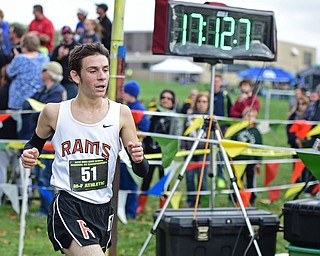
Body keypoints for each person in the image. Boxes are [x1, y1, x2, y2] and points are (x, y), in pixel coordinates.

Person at [21, 43, 148, 255]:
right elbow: (33, 144)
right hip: (68, 205)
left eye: (105, 70)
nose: (102, 77)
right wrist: (29, 154)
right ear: (75, 76)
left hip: (102, 208)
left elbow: (141, 171)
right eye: (93, 70)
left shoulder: (121, 113)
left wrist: (137, 158)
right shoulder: (54, 112)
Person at [21, 61, 66, 217]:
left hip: (50, 141)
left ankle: (47, 210)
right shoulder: (42, 90)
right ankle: (44, 208)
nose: (41, 73)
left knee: (45, 177)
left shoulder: (58, 91)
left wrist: (39, 112)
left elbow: (46, 113)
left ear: (49, 73)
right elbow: (28, 104)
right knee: (41, 176)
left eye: (44, 70)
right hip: (40, 139)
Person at [138, 89, 181, 213]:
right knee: (146, 179)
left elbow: (176, 137)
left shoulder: (175, 117)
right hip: (151, 153)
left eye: (169, 98)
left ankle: (163, 208)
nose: (165, 100)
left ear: (173, 101)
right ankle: (140, 206)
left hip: (165, 154)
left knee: (165, 181)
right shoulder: (154, 114)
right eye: (163, 97)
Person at [120, 80, 150, 218]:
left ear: (129, 94)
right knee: (122, 181)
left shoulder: (139, 109)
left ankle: (130, 212)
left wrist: (128, 133)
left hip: (134, 149)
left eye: (124, 92)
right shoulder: (123, 107)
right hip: (122, 149)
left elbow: (145, 130)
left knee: (131, 181)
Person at [6, 32, 49, 110]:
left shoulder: (19, 58)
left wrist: (16, 58)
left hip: (18, 98)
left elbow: (9, 72)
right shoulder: (44, 57)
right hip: (37, 97)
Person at [181, 92, 210, 207]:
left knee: (202, 179)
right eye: (199, 101)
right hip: (190, 151)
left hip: (204, 152)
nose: (202, 104)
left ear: (208, 104)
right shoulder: (190, 117)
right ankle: (191, 201)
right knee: (189, 177)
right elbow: (184, 133)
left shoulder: (210, 118)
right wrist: (183, 147)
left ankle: (202, 202)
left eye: (204, 102)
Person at [230, 109, 262, 206]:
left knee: (250, 180)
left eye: (252, 116)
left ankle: (251, 199)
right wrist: (231, 158)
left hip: (251, 161)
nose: (249, 118)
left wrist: (258, 162)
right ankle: (235, 197)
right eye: (248, 116)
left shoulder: (256, 132)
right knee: (236, 180)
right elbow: (232, 144)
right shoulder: (238, 130)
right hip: (238, 160)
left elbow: (260, 147)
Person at [213, 73, 232, 188]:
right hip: (207, 129)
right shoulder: (207, 95)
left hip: (221, 129)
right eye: (214, 81)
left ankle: (220, 176)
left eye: (217, 81)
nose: (215, 83)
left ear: (221, 83)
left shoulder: (225, 96)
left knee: (221, 153)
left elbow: (230, 112)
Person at [51, 26, 78, 99]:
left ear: (72, 34)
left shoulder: (77, 47)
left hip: (73, 82)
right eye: (64, 33)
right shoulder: (58, 48)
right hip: (60, 81)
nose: (66, 35)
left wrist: (68, 54)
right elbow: (53, 64)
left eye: (68, 33)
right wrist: (60, 56)